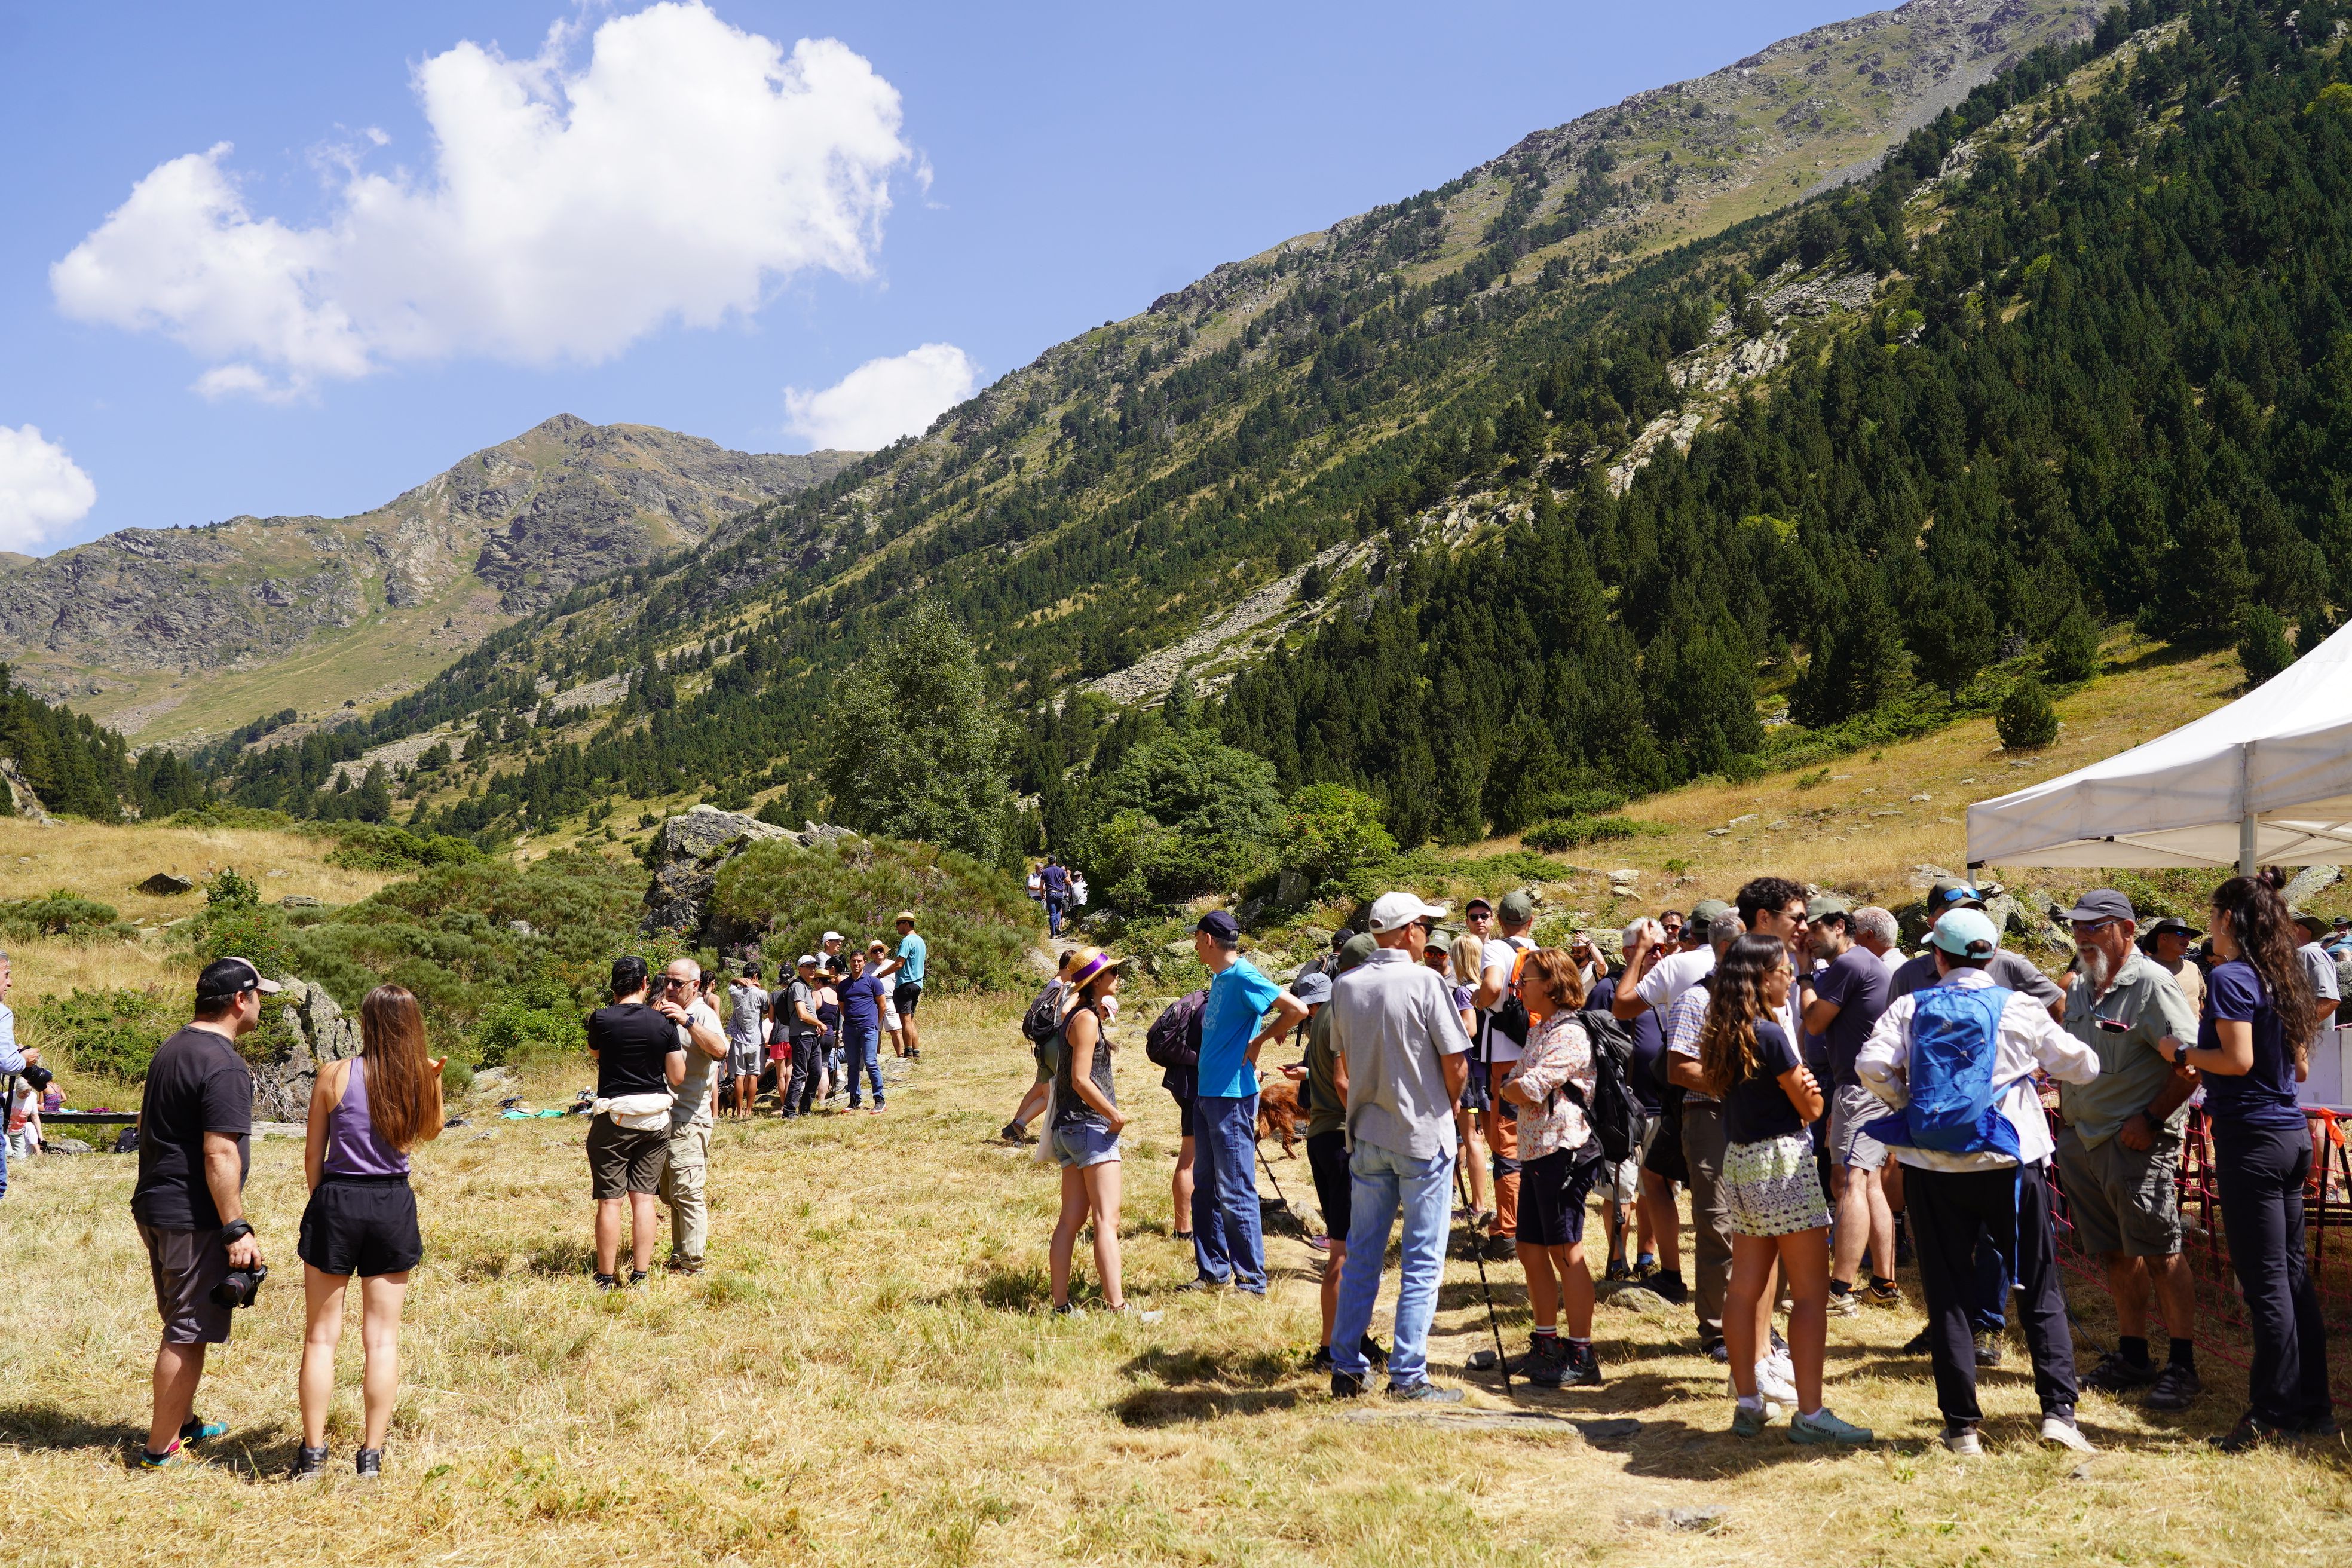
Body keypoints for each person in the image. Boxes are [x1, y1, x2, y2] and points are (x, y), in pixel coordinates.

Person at [1858, 908, 2099, 1456]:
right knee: (2039, 1285)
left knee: (1946, 1292)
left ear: (1937, 957)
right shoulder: (2018, 1005)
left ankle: (1962, 1428)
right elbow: (2082, 1066)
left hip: (1932, 1165)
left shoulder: (1909, 1005)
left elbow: (1871, 1066)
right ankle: (2059, 1414)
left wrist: (1910, 1105)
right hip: (2011, 1161)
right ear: (1992, 955)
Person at [2162, 875, 2333, 1449]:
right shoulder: (2281, 978)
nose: (2209, 926)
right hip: (2289, 1134)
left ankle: (2272, 1411)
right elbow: (2300, 1071)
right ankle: (2314, 1405)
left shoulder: (2232, 977)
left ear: (2229, 920)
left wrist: (2181, 1051)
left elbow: (2235, 1060)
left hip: (2253, 1139)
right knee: (2291, 1278)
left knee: (2267, 1285)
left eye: (2212, 916)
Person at [1700, 933, 1872, 1446]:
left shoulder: (1722, 1031)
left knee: (1745, 1285)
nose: (1790, 977)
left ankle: (1749, 1403)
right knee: (1812, 1296)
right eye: (1783, 969)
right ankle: (1812, 1414)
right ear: (1761, 976)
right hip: (1782, 1163)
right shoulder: (1770, 1035)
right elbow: (1812, 1108)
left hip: (1741, 1162)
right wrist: (1808, 1093)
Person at [2051, 890, 2204, 1411]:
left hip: (2136, 1143)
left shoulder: (2153, 985)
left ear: (2128, 930)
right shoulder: (2082, 985)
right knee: (2116, 1252)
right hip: (2084, 1141)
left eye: (2096, 927)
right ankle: (2134, 1355)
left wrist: (2151, 1118)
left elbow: (2192, 1064)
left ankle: (2182, 1366)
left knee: (2162, 1252)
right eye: (2079, 927)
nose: (2084, 936)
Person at [292, 984, 445, 1480]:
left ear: (366, 1022)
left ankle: (313, 1456)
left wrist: (323, 1201)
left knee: (320, 1338)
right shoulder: (417, 1077)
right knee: (382, 1340)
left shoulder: (334, 1075)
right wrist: (435, 1082)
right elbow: (432, 1132)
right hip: (391, 1201)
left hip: (338, 1197)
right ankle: (370, 1457)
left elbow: (313, 1154)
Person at [1328, 892, 1474, 1402]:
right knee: (1422, 1258)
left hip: (1367, 1132)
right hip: (1421, 1133)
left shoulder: (1345, 986)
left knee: (1364, 1253)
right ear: (1409, 930)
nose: (1428, 935)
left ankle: (1346, 1365)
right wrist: (1450, 1107)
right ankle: (1408, 1375)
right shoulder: (1426, 981)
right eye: (1425, 926)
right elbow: (1456, 1063)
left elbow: (1341, 1055)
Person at [130, 956, 275, 1469]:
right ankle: (158, 1449)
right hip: (192, 1216)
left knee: (181, 1318)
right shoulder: (225, 1063)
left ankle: (184, 1424)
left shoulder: (172, 1048)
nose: (261, 1006)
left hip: (155, 1205)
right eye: (260, 996)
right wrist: (236, 1227)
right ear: (241, 1000)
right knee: (188, 1332)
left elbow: (150, 1124)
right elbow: (220, 1152)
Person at [1184, 911, 1307, 1294]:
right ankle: (1213, 1272)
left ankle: (1252, 1280)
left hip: (1232, 1097)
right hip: (1208, 1095)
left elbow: (1297, 1009)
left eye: (1195, 937)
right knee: (1204, 1187)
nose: (1193, 944)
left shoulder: (1244, 975)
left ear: (1207, 939)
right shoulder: (1221, 978)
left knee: (1235, 1186)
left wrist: (1261, 1041)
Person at [1500, 947, 1607, 1389]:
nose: (1519, 988)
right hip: (1537, 1152)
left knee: (1567, 1251)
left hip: (1565, 1150)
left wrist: (1514, 1088)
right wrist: (1514, 1087)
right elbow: (1515, 1082)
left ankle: (1581, 1352)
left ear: (1551, 983)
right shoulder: (1542, 1029)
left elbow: (1527, 1084)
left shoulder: (1570, 1031)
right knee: (1529, 1248)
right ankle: (1546, 1342)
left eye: (1526, 980)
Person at [1797, 895, 1899, 1316]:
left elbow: (1814, 1021)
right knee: (1870, 1182)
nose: (1806, 936)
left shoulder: (1849, 965)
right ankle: (1884, 1283)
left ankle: (1840, 1290)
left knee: (1850, 1183)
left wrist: (1804, 976)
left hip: (1858, 1090)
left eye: (1814, 928)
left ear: (1840, 926)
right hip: (1871, 1088)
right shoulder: (1864, 964)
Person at [1284, 957, 1386, 1373]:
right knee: (1347, 1251)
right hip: (1343, 1138)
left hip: (1323, 1138)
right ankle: (1336, 1347)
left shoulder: (1318, 1026)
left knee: (1343, 1248)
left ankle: (1345, 1340)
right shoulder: (1338, 1020)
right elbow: (1344, 1082)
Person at [1043, 948, 1156, 1319]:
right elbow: (1080, 1079)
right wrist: (1115, 1115)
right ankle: (1118, 1306)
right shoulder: (1087, 1019)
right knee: (1107, 1221)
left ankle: (1062, 1306)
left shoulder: (1076, 1015)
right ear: (1096, 981)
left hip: (1068, 1128)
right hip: (1091, 1126)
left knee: (1069, 1221)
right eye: (1112, 973)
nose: (1117, 977)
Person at [586, 957, 686, 1290]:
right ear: (646, 983)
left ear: (614, 985)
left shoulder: (600, 1019)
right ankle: (640, 1275)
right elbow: (677, 1076)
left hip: (614, 1119)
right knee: (643, 1198)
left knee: (610, 1201)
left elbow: (598, 1056)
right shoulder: (663, 1024)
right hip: (655, 1120)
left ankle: (606, 1277)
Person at [1470, 890, 1542, 1263]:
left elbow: (1494, 987)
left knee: (1507, 1146)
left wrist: (1477, 1002)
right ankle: (1527, 1220)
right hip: (1537, 1054)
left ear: (1500, 921)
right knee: (1531, 1142)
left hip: (1505, 1062)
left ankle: (1508, 1232)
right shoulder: (1541, 952)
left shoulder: (1497, 949)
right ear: (1530, 921)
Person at [657, 959, 728, 1275]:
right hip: (663, 1119)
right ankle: (679, 1253)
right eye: (667, 981)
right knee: (671, 1193)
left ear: (695, 986)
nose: (670, 988)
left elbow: (720, 1050)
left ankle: (693, 1263)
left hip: (690, 1119)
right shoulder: (667, 1009)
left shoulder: (703, 1014)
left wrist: (687, 1022)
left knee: (687, 1192)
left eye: (677, 983)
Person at [1007, 949, 1082, 1143]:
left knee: (1042, 1092)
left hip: (1043, 1045)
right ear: (1068, 967)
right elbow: (1066, 1017)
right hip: (1055, 1044)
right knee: (1059, 1092)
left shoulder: (1052, 985)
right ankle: (1058, 1137)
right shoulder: (1064, 988)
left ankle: (1017, 1126)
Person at [1446, 932, 1494, 1229]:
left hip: (1470, 1075)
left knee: (1472, 1139)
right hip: (1487, 1070)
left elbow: (1469, 1028)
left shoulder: (1465, 991)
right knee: (1487, 1139)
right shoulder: (1485, 989)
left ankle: (1477, 1205)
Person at [0, 950, 36, 1204]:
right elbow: (8, 1064)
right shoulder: (2, 1013)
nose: (10, 982)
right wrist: (25, 1058)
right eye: (6, 975)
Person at [837, 949, 889, 1113]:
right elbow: (843, 1008)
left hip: (869, 1029)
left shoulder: (873, 982)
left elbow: (882, 1006)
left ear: (864, 963)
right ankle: (854, 1100)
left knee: (870, 1062)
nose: (856, 964)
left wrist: (874, 1023)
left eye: (860, 961)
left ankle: (880, 1099)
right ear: (850, 962)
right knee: (852, 1065)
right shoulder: (844, 985)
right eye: (854, 961)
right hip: (850, 1029)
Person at [780, 956, 826, 1117]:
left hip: (811, 1035)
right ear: (800, 969)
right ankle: (789, 1111)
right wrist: (819, 1023)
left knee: (816, 1073)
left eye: (814, 966)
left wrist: (816, 1027)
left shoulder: (807, 987)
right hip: (801, 1036)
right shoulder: (798, 987)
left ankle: (805, 1109)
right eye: (808, 966)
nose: (813, 969)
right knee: (800, 1073)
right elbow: (802, 1014)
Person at [724, 965, 768, 1120]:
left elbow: (731, 985)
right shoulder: (761, 993)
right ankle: (749, 1110)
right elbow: (765, 1010)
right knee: (753, 1076)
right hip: (756, 1040)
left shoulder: (735, 992)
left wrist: (736, 980)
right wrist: (759, 988)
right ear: (755, 976)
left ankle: (739, 1111)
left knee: (739, 1076)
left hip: (738, 1039)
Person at [2291, 911, 2341, 1033]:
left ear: (2294, 928)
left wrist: (2295, 1031)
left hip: (2312, 1044)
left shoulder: (2312, 953)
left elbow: (2329, 1000)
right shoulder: (2300, 955)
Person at [2146, 916, 2207, 1016]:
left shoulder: (2193, 968)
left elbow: (2199, 1004)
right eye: (2181, 933)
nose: (2187, 939)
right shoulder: (2143, 968)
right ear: (2163, 937)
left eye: (2189, 935)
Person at [890, 912, 927, 1060]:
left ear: (906, 924)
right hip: (918, 984)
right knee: (910, 1020)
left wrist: (881, 974)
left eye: (898, 924)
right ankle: (916, 1052)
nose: (897, 927)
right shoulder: (920, 941)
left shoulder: (907, 941)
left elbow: (899, 964)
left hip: (905, 984)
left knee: (905, 1020)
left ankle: (909, 1053)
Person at [868, 939, 906, 1060]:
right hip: (874, 1002)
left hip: (891, 1000)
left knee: (895, 1029)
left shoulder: (893, 965)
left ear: (884, 952)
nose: (878, 953)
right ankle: (876, 1057)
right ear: (872, 954)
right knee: (875, 1030)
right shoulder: (867, 968)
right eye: (875, 951)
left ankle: (900, 1056)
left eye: (880, 950)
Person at [1852, 906, 1904, 973]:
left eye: (1853, 934)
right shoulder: (1903, 962)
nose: (1850, 941)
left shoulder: (1877, 973)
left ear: (1869, 935)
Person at [1041, 856, 1073, 939]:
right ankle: (1057, 928)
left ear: (1049, 862)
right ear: (1056, 861)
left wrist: (1042, 895)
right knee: (1059, 911)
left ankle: (1053, 934)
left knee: (1052, 914)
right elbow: (1068, 882)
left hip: (1050, 893)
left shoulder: (1045, 871)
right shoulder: (1061, 871)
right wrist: (1068, 875)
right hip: (1059, 894)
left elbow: (1041, 886)